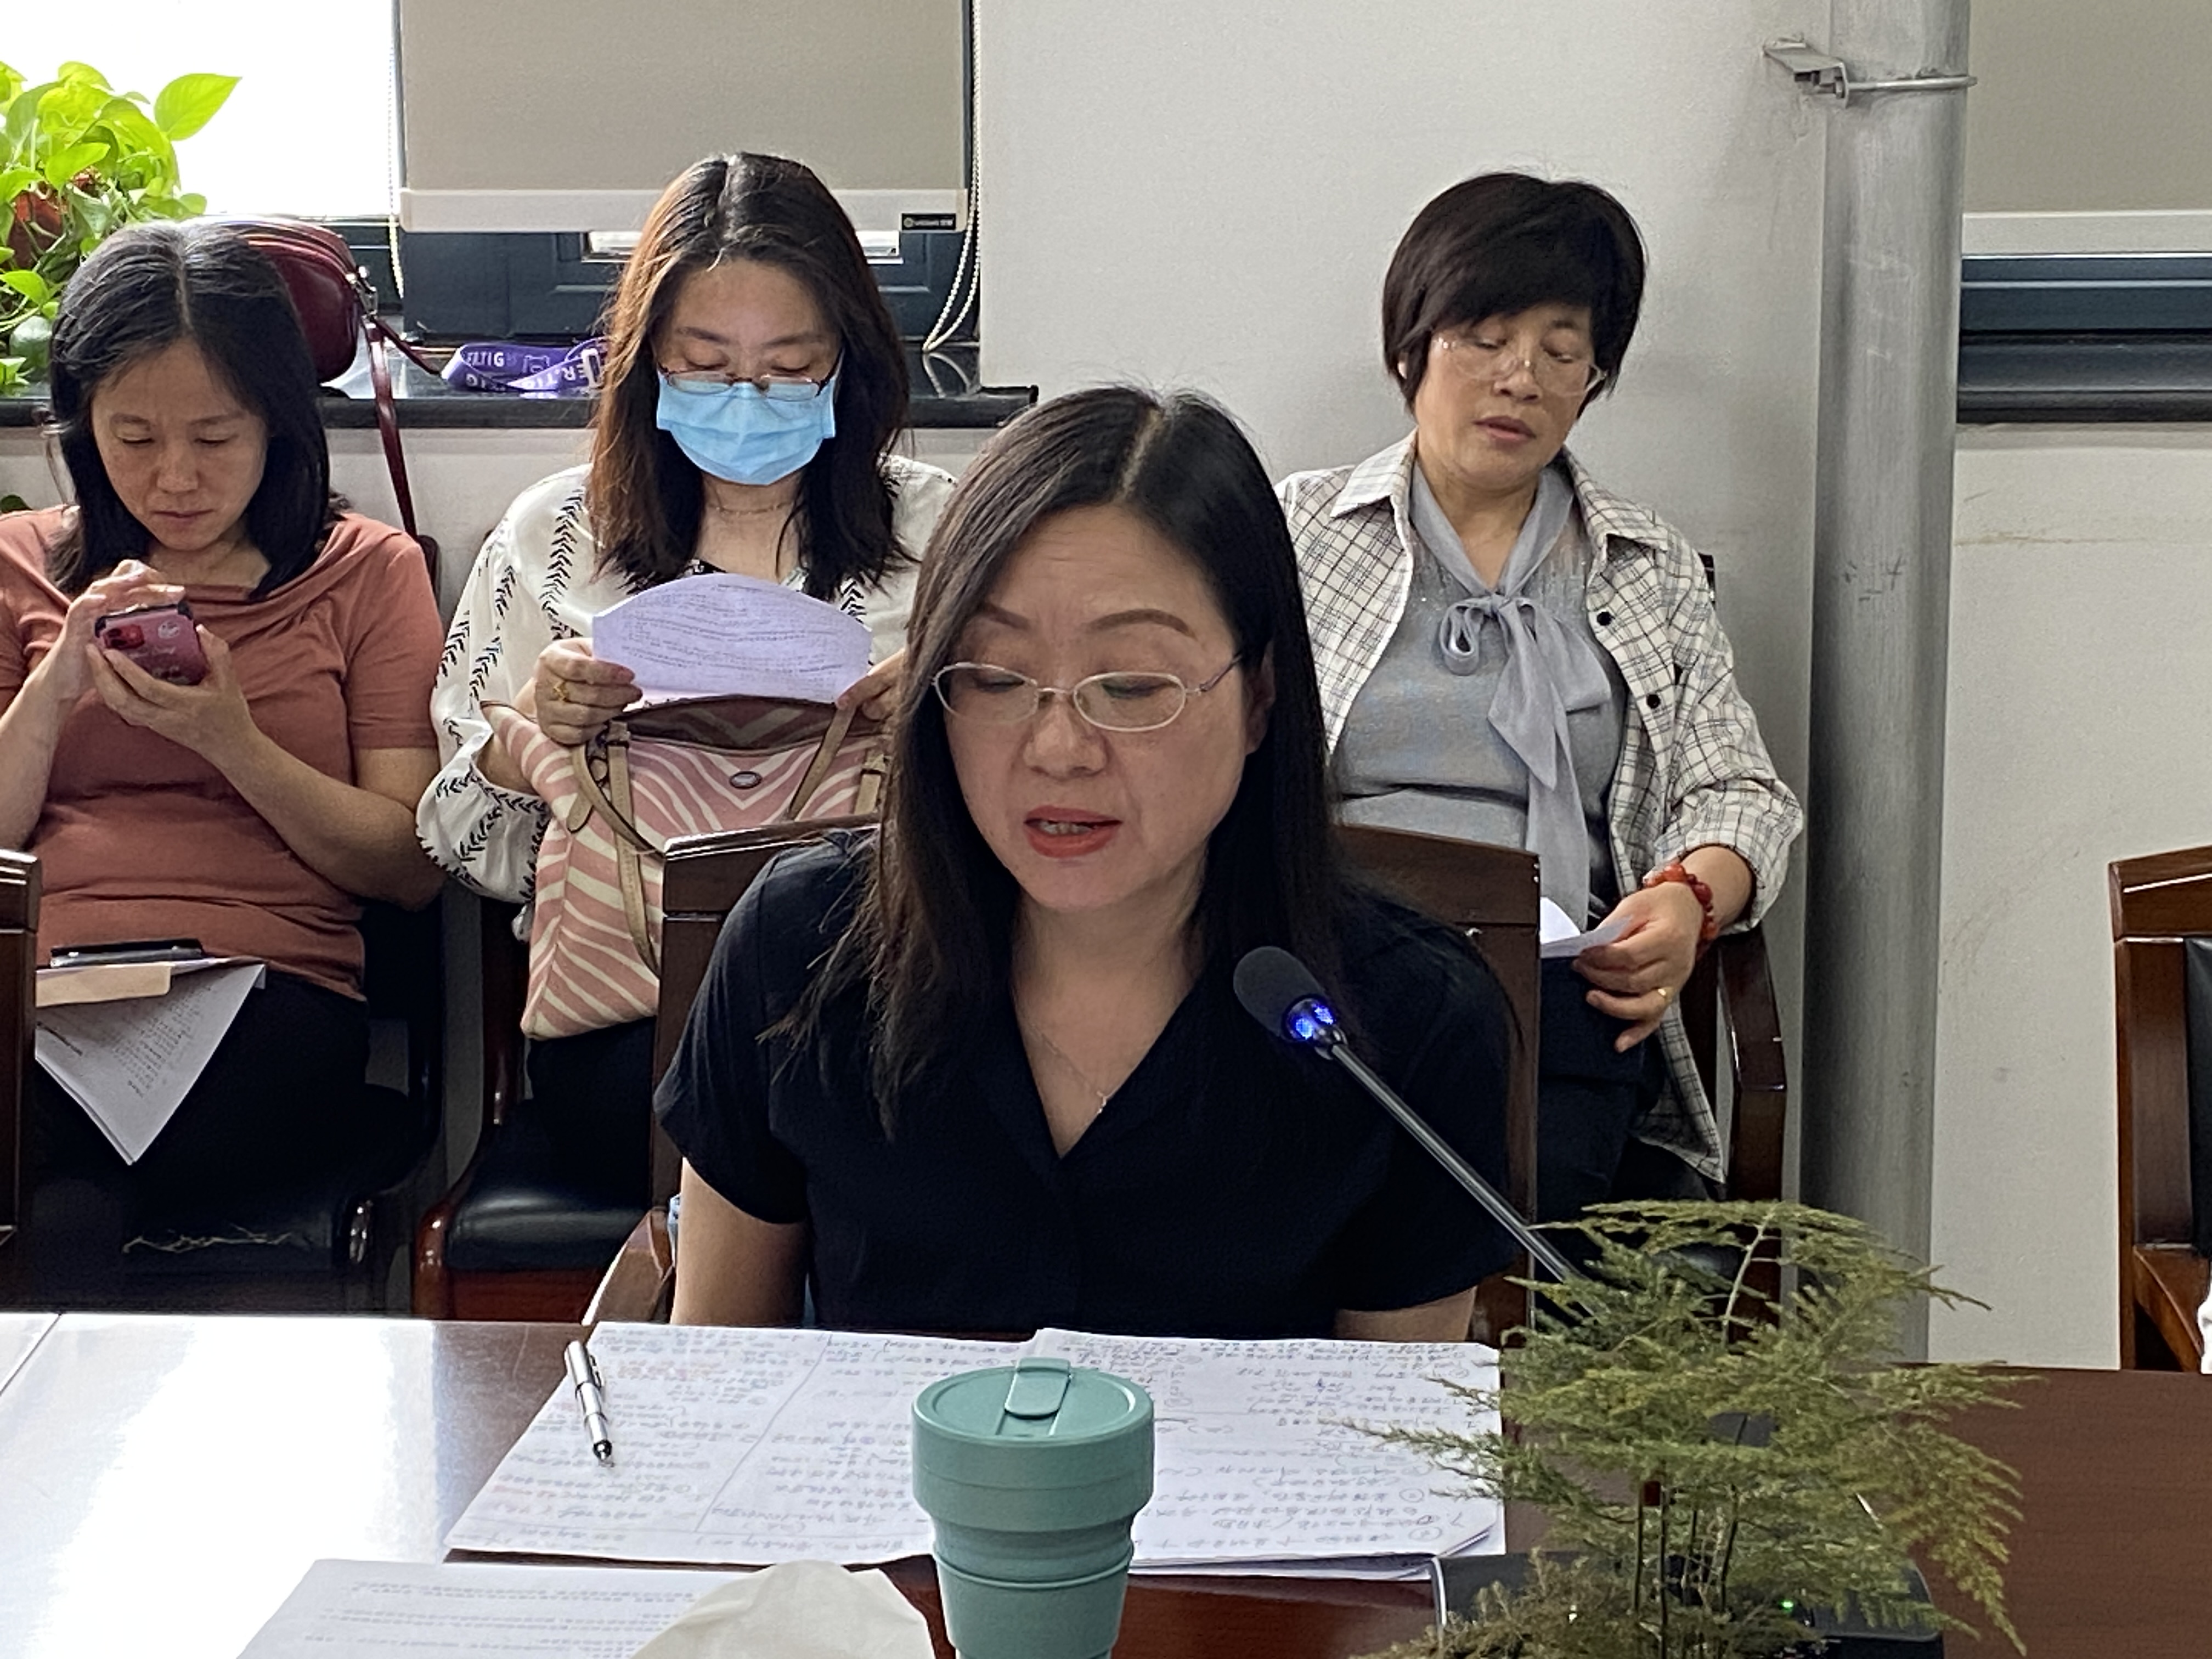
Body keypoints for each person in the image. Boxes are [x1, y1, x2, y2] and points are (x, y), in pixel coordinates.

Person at [657, 387, 1515, 1340]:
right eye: (994, 678)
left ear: (1261, 696)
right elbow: (716, 1376)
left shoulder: (1406, 1021)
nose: (1059, 749)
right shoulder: (799, 948)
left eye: (1133, 685)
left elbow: (1392, 1428)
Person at [417, 153, 955, 1194]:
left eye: (790, 366)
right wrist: (532, 735)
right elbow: (455, 843)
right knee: (775, 1107)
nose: (747, 398)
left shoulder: (943, 534)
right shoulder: (554, 538)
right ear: (644, 363)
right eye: (705, 366)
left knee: (895, 1086)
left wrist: (947, 715)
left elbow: (1030, 808)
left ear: (850, 362)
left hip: (879, 986)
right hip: (630, 1009)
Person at [1279, 173, 1803, 1223]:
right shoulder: (1298, 534)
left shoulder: (1643, 564)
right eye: (1485, 338)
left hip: (1557, 989)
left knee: (1523, 1195)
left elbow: (1740, 789)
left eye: (1562, 353)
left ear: (1592, 381)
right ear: (1412, 347)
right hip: (1342, 961)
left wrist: (1690, 900)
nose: (1519, 379)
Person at [0, 222, 445, 1285]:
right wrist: (56, 688)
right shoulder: (19, 562)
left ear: (278, 424)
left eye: (215, 437)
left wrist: (229, 740)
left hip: (265, 998)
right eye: (134, 438)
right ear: (81, 427)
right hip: (45, 987)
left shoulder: (366, 573)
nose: (176, 478)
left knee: (48, 1161)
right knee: (59, 1178)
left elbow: (407, 867)